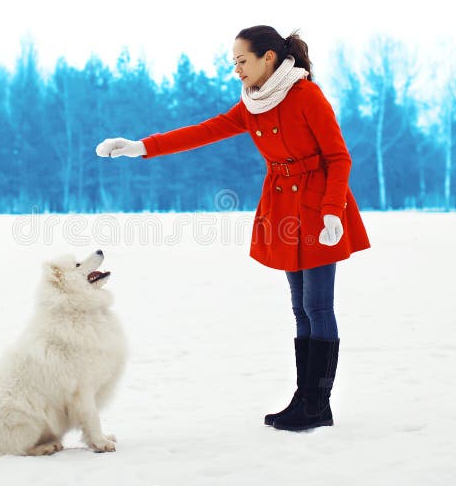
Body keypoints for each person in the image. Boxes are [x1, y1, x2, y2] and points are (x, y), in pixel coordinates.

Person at [95, 25, 370, 431]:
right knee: (299, 308)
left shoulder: (305, 94)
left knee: (318, 306)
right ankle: (306, 398)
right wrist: (141, 146)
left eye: (242, 61)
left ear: (268, 59)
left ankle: (317, 403)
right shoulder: (252, 104)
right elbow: (204, 132)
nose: (236, 70)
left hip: (317, 210)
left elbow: (339, 157)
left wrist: (332, 211)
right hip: (283, 210)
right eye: (234, 63)